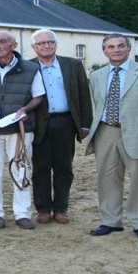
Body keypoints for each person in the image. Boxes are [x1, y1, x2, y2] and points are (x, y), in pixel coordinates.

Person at [85, 33, 138, 241]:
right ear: (105, 51)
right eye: (111, 47)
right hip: (106, 132)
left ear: (128, 48)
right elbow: (98, 104)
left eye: (120, 46)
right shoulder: (97, 76)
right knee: (107, 178)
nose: (116, 50)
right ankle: (110, 221)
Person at [0, 31, 45, 230]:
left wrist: (25, 109)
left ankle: (22, 213)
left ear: (13, 45)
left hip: (19, 129)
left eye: (3, 41)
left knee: (21, 170)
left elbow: (38, 96)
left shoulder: (31, 69)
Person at [30, 29, 93, 225]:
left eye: (50, 42)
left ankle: (61, 208)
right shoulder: (28, 67)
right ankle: (43, 209)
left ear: (55, 44)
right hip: (40, 124)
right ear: (34, 47)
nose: (46, 46)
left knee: (64, 167)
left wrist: (85, 124)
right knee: (40, 167)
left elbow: (83, 95)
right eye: (41, 43)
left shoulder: (72, 65)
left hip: (66, 122)